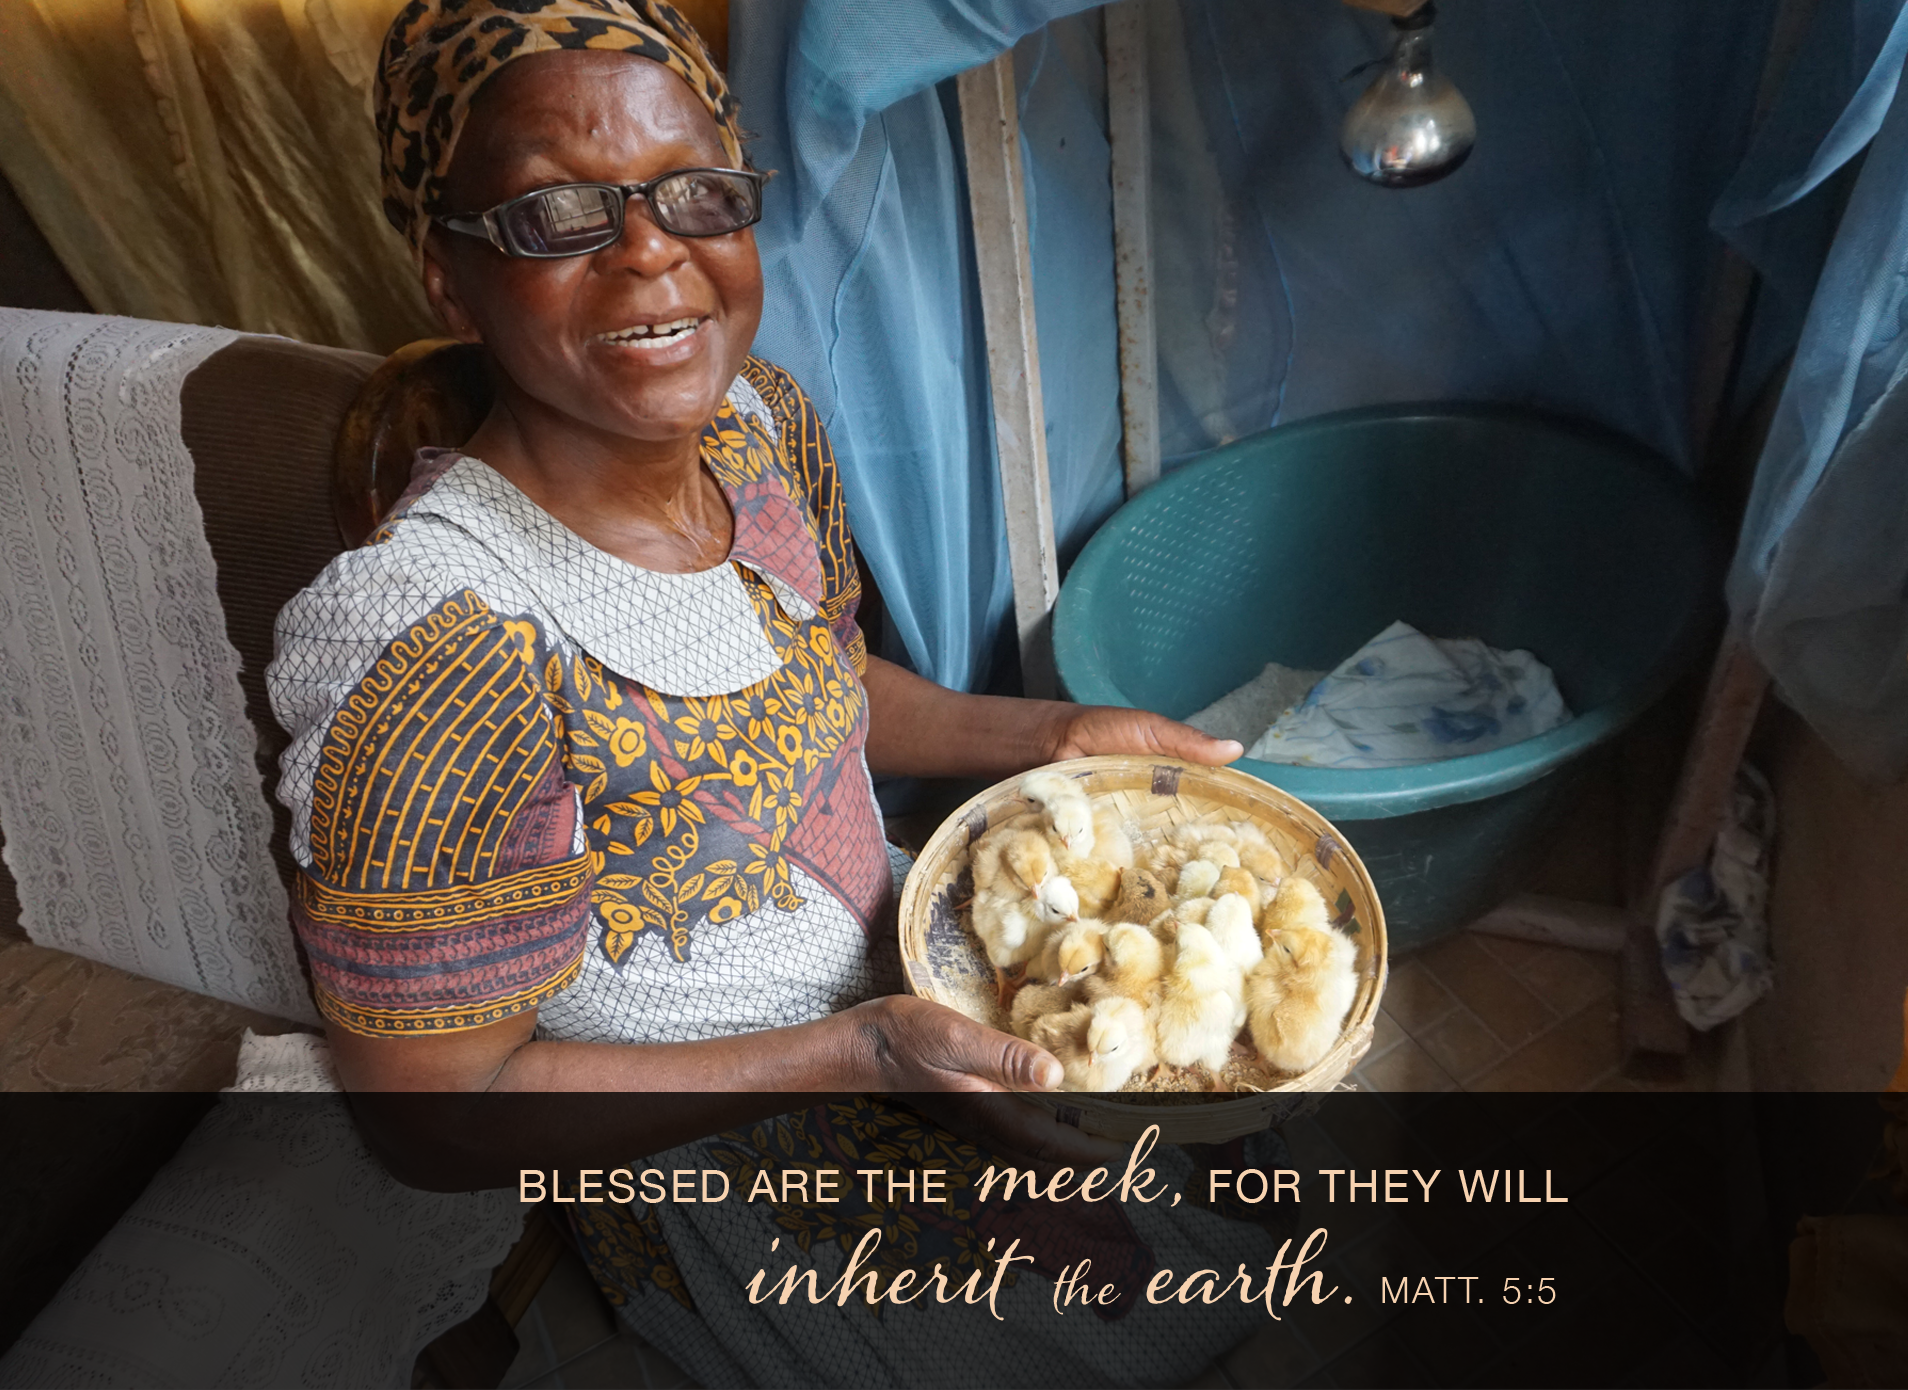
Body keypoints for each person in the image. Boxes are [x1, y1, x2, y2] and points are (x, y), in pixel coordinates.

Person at [267, 3, 1266, 1381]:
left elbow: (820, 681)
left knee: (1218, 1233)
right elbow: (436, 1119)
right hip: (719, 1147)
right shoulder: (437, 651)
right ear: (449, 274)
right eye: (560, 213)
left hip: (901, 985)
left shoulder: (758, 429)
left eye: (698, 193)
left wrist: (1048, 735)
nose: (650, 252)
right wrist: (853, 1056)